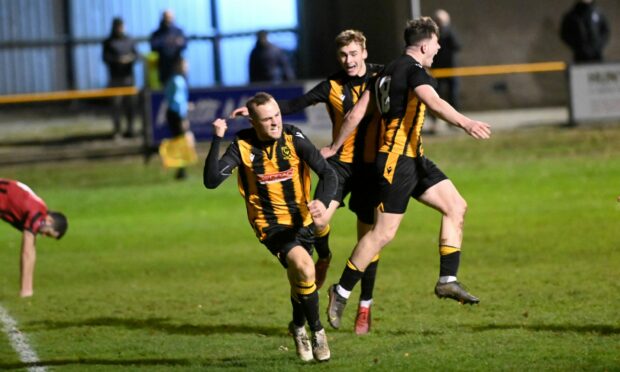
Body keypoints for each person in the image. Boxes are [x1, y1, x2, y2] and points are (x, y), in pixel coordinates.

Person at [321, 17, 491, 330]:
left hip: (415, 158)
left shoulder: (383, 72)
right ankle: (341, 291)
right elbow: (435, 103)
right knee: (382, 233)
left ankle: (448, 279)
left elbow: (357, 113)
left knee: (456, 206)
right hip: (396, 161)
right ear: (425, 44)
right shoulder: (415, 71)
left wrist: (334, 145)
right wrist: (466, 123)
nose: (438, 49)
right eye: (436, 44)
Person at [232, 30, 384, 335]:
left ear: (364, 52)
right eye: (343, 55)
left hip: (371, 170)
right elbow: (295, 104)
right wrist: (252, 111)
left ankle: (364, 306)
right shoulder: (331, 86)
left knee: (370, 239)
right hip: (339, 166)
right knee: (317, 219)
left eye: (354, 54)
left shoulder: (383, 78)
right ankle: (324, 257)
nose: (349, 60)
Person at [204, 92, 337, 362]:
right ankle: (317, 332)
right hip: (270, 226)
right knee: (303, 266)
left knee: (301, 278)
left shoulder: (293, 137)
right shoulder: (242, 145)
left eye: (277, 115)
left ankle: (298, 326)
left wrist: (322, 202)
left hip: (302, 221)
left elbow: (328, 173)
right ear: (253, 122)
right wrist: (217, 137)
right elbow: (212, 180)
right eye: (267, 119)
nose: (275, 122)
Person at [0, 179, 68, 298]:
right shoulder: (37, 215)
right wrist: (26, 290)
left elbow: (31, 251)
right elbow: (27, 252)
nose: (43, 235)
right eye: (48, 233)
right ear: (49, 220)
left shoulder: (39, 207)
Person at [102, 17, 139, 139]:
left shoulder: (130, 40)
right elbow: (105, 58)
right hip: (115, 79)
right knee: (116, 106)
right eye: (118, 26)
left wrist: (129, 59)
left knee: (131, 105)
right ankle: (117, 131)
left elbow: (137, 56)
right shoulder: (108, 42)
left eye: (121, 26)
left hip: (129, 78)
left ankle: (131, 129)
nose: (120, 29)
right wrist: (117, 60)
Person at [426, 9, 461, 135]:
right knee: (435, 97)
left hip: (451, 69)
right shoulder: (432, 34)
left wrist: (445, 31)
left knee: (453, 96)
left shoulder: (451, 32)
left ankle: (454, 122)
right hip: (436, 70)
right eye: (437, 20)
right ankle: (434, 123)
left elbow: (457, 46)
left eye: (441, 20)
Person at [164, 57, 195, 180]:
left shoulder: (175, 79)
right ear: (178, 66)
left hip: (173, 113)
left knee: (181, 141)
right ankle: (180, 170)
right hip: (176, 114)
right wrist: (182, 117)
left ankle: (181, 170)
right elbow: (177, 101)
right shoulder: (178, 81)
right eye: (185, 65)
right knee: (183, 141)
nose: (187, 68)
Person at [150, 9, 187, 87]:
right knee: (165, 88)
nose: (168, 19)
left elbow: (184, 44)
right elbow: (153, 46)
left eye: (170, 17)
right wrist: (166, 42)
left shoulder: (178, 31)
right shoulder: (157, 33)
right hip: (163, 66)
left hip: (177, 65)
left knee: (179, 87)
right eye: (166, 17)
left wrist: (177, 43)